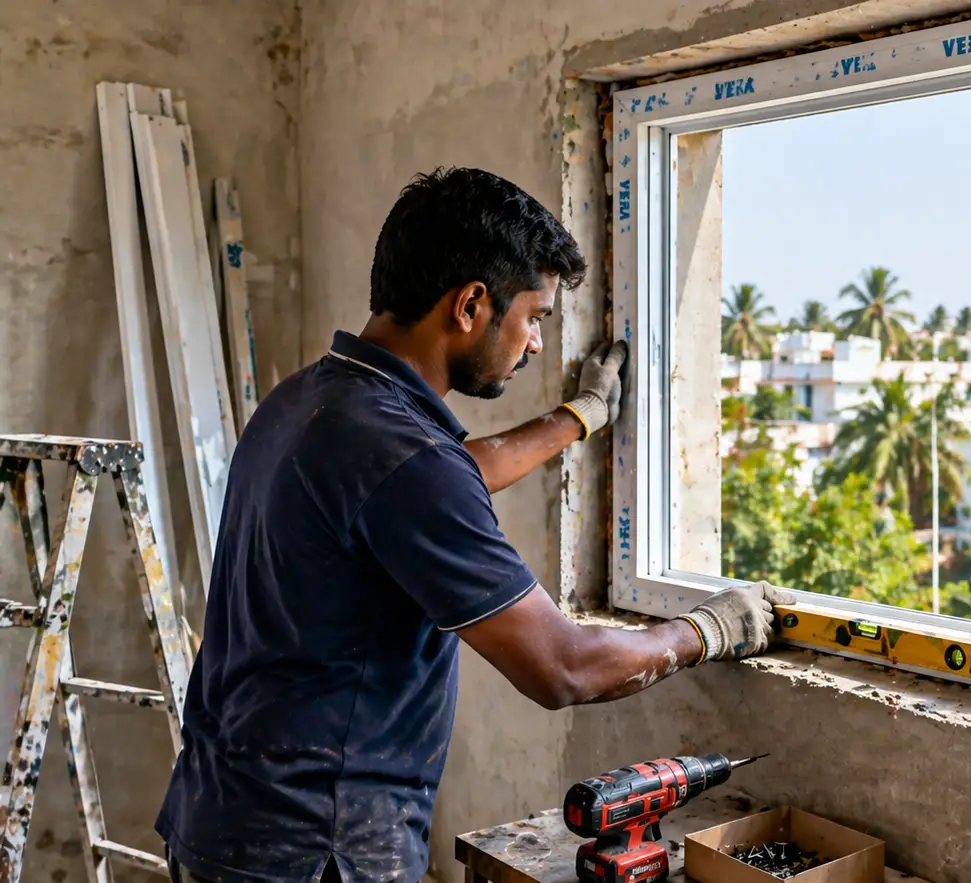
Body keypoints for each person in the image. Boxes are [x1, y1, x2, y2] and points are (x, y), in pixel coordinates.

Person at [155, 167, 789, 883]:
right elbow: (563, 667)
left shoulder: (311, 399)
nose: (537, 342)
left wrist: (575, 419)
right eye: (535, 316)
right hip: (313, 850)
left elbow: (429, 481)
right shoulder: (405, 460)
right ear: (469, 305)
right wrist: (708, 629)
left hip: (217, 813)